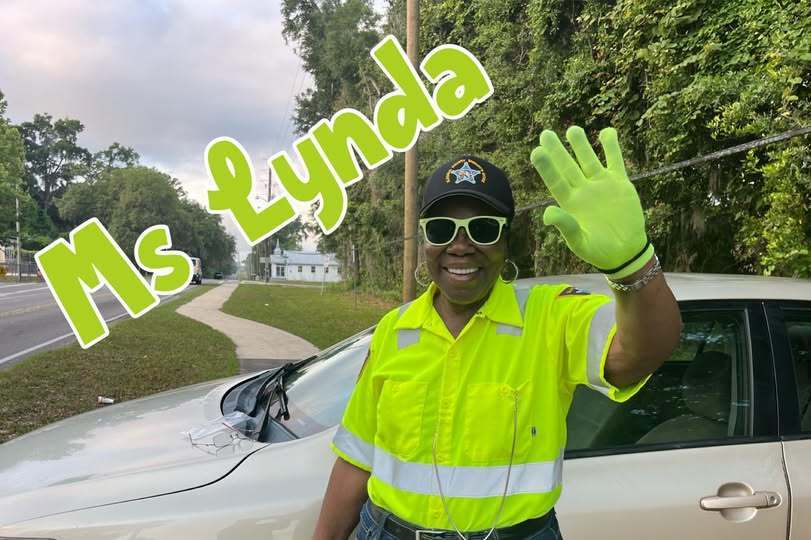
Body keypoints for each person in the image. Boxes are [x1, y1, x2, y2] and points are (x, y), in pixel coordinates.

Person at [314, 126, 683, 540]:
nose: (460, 245)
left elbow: (642, 352)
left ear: (506, 241)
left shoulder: (549, 316)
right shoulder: (393, 330)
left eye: (483, 229)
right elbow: (357, 456)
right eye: (441, 229)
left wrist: (633, 263)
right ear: (423, 241)